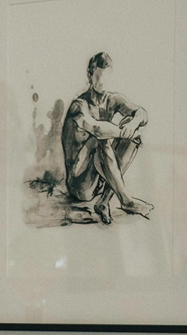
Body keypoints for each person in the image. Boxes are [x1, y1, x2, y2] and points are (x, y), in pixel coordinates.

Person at [60, 51, 150, 223]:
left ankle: (103, 201)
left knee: (130, 135)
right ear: (90, 76)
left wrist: (132, 125)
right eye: (98, 77)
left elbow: (142, 113)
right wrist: (125, 131)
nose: (102, 83)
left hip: (99, 178)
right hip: (80, 184)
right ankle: (126, 201)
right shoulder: (80, 105)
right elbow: (95, 128)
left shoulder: (112, 99)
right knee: (100, 138)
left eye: (106, 77)